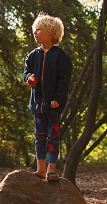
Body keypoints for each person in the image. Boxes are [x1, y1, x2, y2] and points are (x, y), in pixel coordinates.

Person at [23, 14, 72, 181]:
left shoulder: (60, 57)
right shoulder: (32, 56)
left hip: (53, 105)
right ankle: (40, 168)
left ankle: (52, 168)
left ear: (51, 33)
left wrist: (58, 98)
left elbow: (64, 81)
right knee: (39, 136)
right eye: (34, 30)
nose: (35, 33)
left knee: (53, 135)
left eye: (39, 30)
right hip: (37, 105)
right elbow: (26, 73)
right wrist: (29, 78)